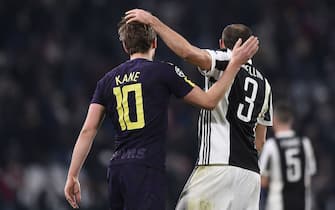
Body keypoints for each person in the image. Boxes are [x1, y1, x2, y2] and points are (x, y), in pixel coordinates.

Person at [63, 15, 259, 210]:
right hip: (147, 168)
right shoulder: (164, 72)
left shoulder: (106, 80)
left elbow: (87, 131)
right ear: (155, 42)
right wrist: (233, 66)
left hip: (117, 169)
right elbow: (208, 101)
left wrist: (72, 175)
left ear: (125, 46)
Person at [125, 9, 273, 210]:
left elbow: (187, 52)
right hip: (250, 177)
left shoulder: (224, 60)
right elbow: (260, 141)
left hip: (217, 167)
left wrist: (154, 22)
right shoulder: (265, 85)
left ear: (221, 44)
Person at [259, 102, 317, 210]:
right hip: (303, 203)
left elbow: (263, 181)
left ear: (274, 120)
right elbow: (309, 176)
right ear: (291, 120)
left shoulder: (271, 145)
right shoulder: (305, 143)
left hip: (278, 204)